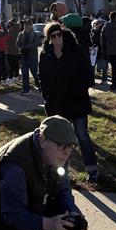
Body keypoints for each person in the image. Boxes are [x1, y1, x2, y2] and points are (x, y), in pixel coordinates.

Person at [39, 23, 98, 182]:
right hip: (57, 104)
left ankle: (92, 170)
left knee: (82, 135)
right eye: (53, 36)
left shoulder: (76, 50)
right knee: (60, 140)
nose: (57, 38)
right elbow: (43, 77)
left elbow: (87, 73)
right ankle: (60, 172)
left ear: (63, 34)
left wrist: (80, 89)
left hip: (77, 101)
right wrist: (47, 96)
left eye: (59, 34)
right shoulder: (46, 54)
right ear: (49, 39)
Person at [16, 20, 40, 94]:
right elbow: (17, 43)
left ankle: (40, 86)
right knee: (24, 75)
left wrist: (26, 47)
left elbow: (36, 44)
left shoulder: (34, 34)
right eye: (25, 25)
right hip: (24, 57)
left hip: (32, 57)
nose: (26, 26)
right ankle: (26, 90)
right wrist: (21, 47)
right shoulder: (21, 34)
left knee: (35, 74)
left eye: (28, 24)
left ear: (31, 26)